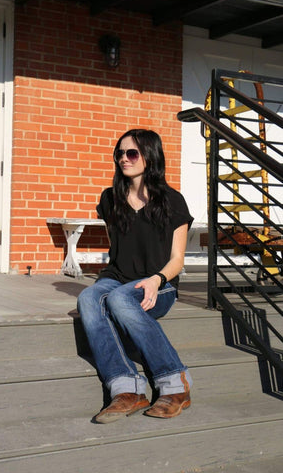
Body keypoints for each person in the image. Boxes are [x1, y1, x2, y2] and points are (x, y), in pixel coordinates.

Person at [77, 129, 194, 424]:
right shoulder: (110, 198)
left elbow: (177, 259)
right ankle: (127, 388)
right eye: (120, 153)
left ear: (150, 156)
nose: (123, 159)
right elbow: (117, 251)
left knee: (118, 298)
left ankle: (173, 384)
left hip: (159, 284)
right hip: (118, 278)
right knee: (89, 297)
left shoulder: (172, 201)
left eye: (132, 153)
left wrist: (156, 280)